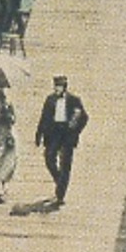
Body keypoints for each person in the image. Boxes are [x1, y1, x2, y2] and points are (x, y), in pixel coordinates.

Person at [34, 75, 89, 207]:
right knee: (49, 158)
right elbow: (44, 117)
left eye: (59, 87)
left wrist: (75, 131)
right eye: (55, 87)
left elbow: (84, 117)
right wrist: (39, 134)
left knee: (65, 164)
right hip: (54, 133)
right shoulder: (50, 100)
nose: (57, 89)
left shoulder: (74, 100)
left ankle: (60, 194)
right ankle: (59, 180)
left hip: (67, 134)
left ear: (65, 88)